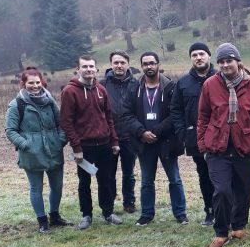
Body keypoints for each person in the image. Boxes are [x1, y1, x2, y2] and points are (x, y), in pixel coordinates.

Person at [196, 43, 250, 247]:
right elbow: (203, 116)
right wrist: (203, 144)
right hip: (217, 149)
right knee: (222, 191)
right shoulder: (210, 85)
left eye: (229, 60)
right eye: (221, 62)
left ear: (238, 62)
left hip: (247, 148)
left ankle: (238, 226)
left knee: (243, 190)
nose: (226, 65)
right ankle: (221, 232)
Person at [121, 51, 187, 226]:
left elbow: (175, 114)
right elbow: (126, 115)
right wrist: (141, 132)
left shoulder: (171, 87)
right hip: (144, 142)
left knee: (175, 179)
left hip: (166, 141)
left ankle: (180, 213)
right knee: (146, 181)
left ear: (158, 64)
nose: (149, 66)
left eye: (152, 63)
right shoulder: (134, 88)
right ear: (141, 67)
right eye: (145, 64)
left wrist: (156, 132)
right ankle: (147, 214)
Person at [5, 67, 72, 233]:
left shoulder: (50, 101)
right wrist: (27, 145)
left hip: (53, 150)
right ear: (23, 84)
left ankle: (55, 216)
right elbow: (10, 130)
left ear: (42, 82)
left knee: (57, 187)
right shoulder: (17, 104)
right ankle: (42, 221)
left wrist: (60, 140)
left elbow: (61, 123)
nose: (35, 86)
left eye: (37, 82)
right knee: (36, 188)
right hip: (31, 154)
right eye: (31, 83)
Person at [60, 54, 122, 230]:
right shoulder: (69, 92)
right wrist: (76, 147)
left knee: (106, 179)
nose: (88, 70)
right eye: (85, 66)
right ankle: (86, 215)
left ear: (96, 69)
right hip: (84, 147)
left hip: (104, 145)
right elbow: (66, 122)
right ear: (78, 69)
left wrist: (114, 141)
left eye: (91, 67)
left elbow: (109, 117)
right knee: (84, 181)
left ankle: (108, 212)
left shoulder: (101, 90)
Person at [171, 42, 217, 226]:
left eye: (202, 54)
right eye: (194, 55)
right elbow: (175, 110)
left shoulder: (220, 77)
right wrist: (183, 133)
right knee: (204, 176)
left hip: (219, 138)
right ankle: (210, 211)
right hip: (195, 139)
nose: (198, 58)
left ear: (209, 56)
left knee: (222, 176)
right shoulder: (183, 83)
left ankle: (227, 211)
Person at [102, 50, 140, 214]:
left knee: (129, 173)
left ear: (127, 64)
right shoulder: (102, 85)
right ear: (111, 64)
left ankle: (129, 202)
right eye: (116, 62)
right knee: (108, 173)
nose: (119, 65)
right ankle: (108, 204)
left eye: (122, 62)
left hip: (130, 136)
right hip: (109, 137)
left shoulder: (136, 83)